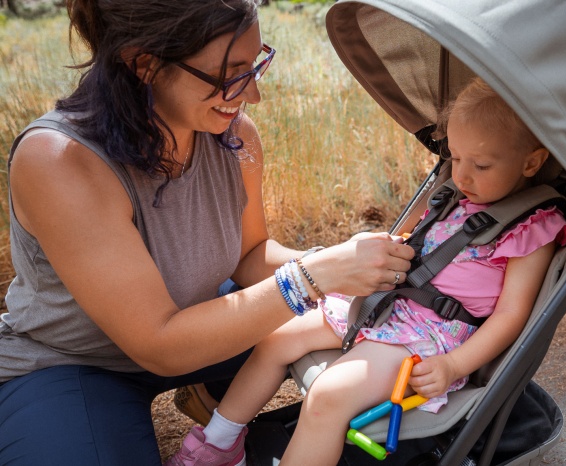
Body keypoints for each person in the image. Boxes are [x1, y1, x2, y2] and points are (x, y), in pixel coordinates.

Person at [0, 1, 415, 465]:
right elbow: (159, 344)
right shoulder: (59, 161)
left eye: (255, 65)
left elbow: (250, 254)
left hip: (201, 327)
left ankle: (211, 392)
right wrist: (313, 276)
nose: (253, 93)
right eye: (230, 75)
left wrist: (337, 263)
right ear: (144, 64)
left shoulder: (233, 135)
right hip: (75, 362)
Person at [169, 77, 566, 465]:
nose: (462, 175)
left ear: (531, 162)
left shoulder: (531, 228)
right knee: (277, 335)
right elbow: (417, 241)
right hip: (388, 302)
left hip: (428, 338)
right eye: (456, 157)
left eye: (480, 165)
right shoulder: (456, 194)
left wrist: (455, 365)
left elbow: (511, 316)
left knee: (327, 397)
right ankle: (218, 443)